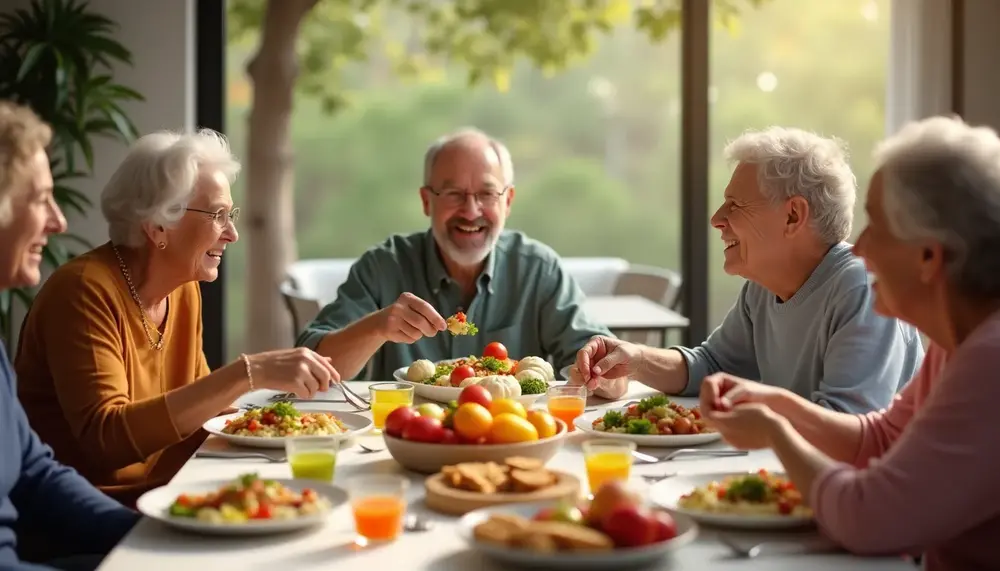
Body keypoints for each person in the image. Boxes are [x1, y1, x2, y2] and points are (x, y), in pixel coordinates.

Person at [701, 116, 1000, 571]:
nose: (858, 248)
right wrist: (777, 405)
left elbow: (870, 518)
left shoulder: (990, 362)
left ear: (927, 256)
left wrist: (776, 432)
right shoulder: (957, 343)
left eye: (877, 226)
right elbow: (881, 437)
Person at [15, 128, 339, 507]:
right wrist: (248, 372)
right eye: (217, 215)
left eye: (229, 215)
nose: (232, 233)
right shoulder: (84, 291)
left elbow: (202, 412)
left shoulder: (182, 289)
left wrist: (288, 427)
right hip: (94, 514)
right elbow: (107, 441)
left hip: (172, 493)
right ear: (158, 228)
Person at [572, 127, 924, 412]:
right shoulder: (764, 287)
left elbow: (848, 424)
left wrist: (750, 407)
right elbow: (711, 365)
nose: (716, 219)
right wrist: (634, 360)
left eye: (735, 204)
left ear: (792, 216)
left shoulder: (861, 289)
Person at [296, 127, 611, 380]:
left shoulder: (538, 270)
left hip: (511, 436)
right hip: (405, 439)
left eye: (487, 193)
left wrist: (607, 372)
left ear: (508, 201)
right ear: (426, 201)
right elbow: (310, 367)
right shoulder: (383, 267)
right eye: (453, 194)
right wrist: (376, 327)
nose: (471, 211)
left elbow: (605, 365)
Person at [0, 101, 140, 571]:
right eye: (40, 199)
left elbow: (35, 473)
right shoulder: (84, 290)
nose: (59, 222)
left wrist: (156, 537)